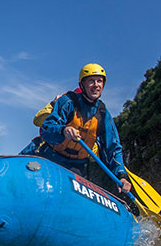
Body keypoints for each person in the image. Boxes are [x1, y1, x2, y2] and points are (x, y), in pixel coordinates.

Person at [20, 64, 132, 193]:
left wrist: (121, 176)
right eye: (91, 81)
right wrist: (63, 130)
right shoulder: (68, 101)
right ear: (82, 85)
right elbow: (47, 129)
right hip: (50, 156)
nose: (96, 85)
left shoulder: (103, 114)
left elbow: (112, 147)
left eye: (99, 81)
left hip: (76, 166)